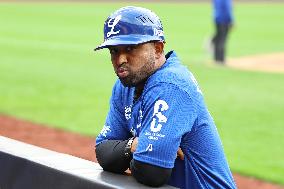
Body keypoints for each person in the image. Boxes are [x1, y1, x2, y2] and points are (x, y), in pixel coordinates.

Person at [94, 6, 237, 189]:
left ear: (158, 48)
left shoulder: (171, 85)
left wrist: (127, 152)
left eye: (130, 48)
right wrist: (134, 146)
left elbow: (151, 172)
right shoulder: (125, 85)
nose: (120, 59)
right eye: (114, 51)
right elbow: (103, 152)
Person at [211, 0, 234, 64]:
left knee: (218, 39)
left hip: (217, 19)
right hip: (224, 20)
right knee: (222, 39)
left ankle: (216, 59)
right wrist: (231, 20)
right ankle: (221, 59)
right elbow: (228, 9)